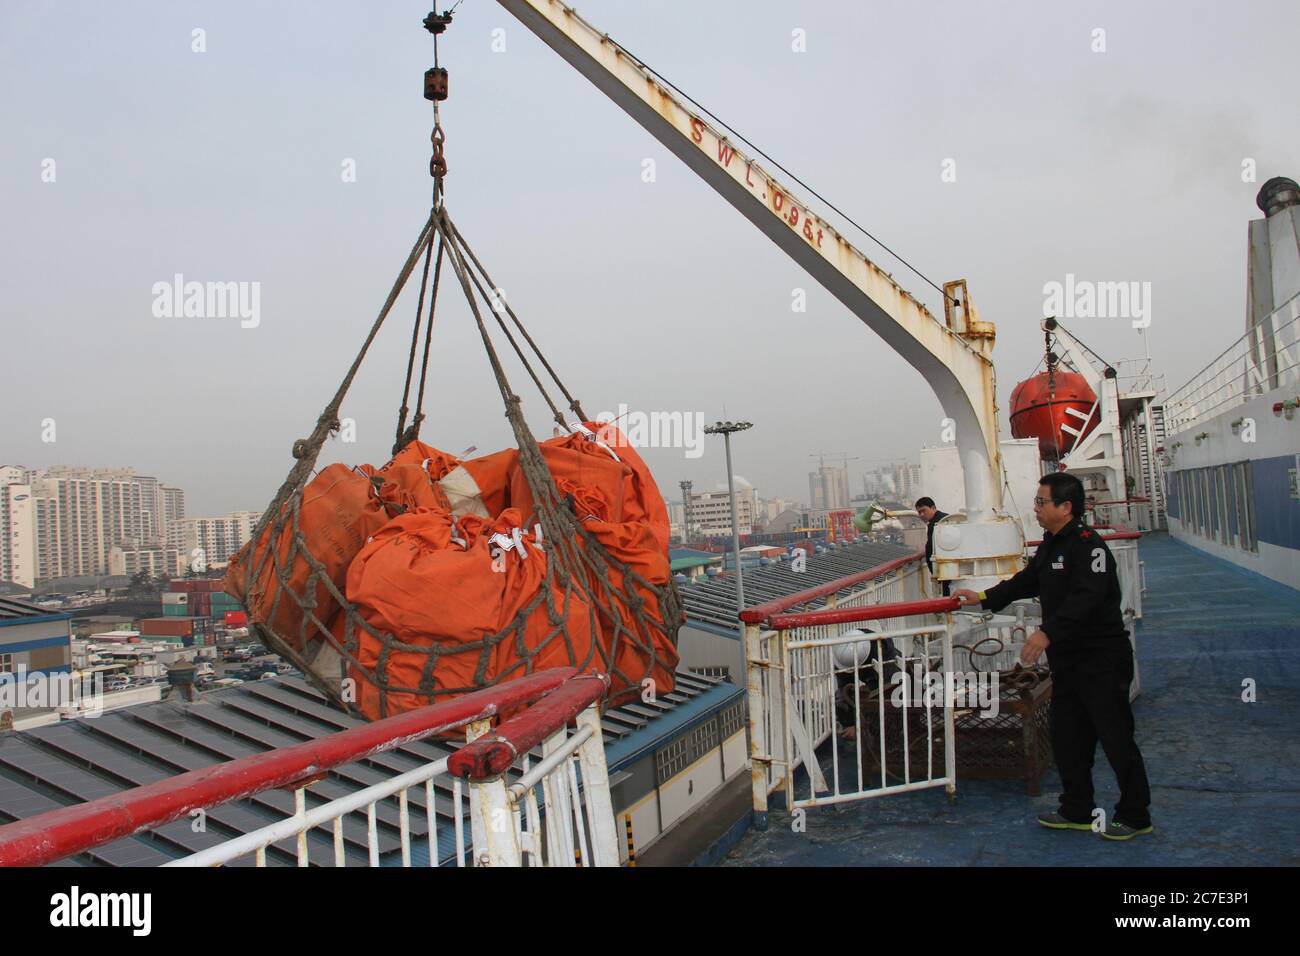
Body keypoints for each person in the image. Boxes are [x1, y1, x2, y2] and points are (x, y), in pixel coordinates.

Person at [952, 472, 1153, 841]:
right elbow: (1026, 581)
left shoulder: (1089, 546)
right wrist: (983, 598)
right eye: (1037, 502)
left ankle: (1135, 815)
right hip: (1069, 663)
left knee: (1115, 738)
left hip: (1101, 660)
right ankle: (1077, 809)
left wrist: (1047, 633)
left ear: (1066, 507)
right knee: (1067, 738)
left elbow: (1087, 600)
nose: (1036, 508)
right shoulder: (1050, 546)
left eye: (1042, 502)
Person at [915, 497, 950, 595]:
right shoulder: (944, 518)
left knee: (948, 596)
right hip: (948, 565)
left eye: (923, 511)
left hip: (944, 567)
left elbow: (931, 547)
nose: (921, 514)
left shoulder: (935, 524)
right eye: (919, 512)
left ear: (933, 508)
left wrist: (935, 572)